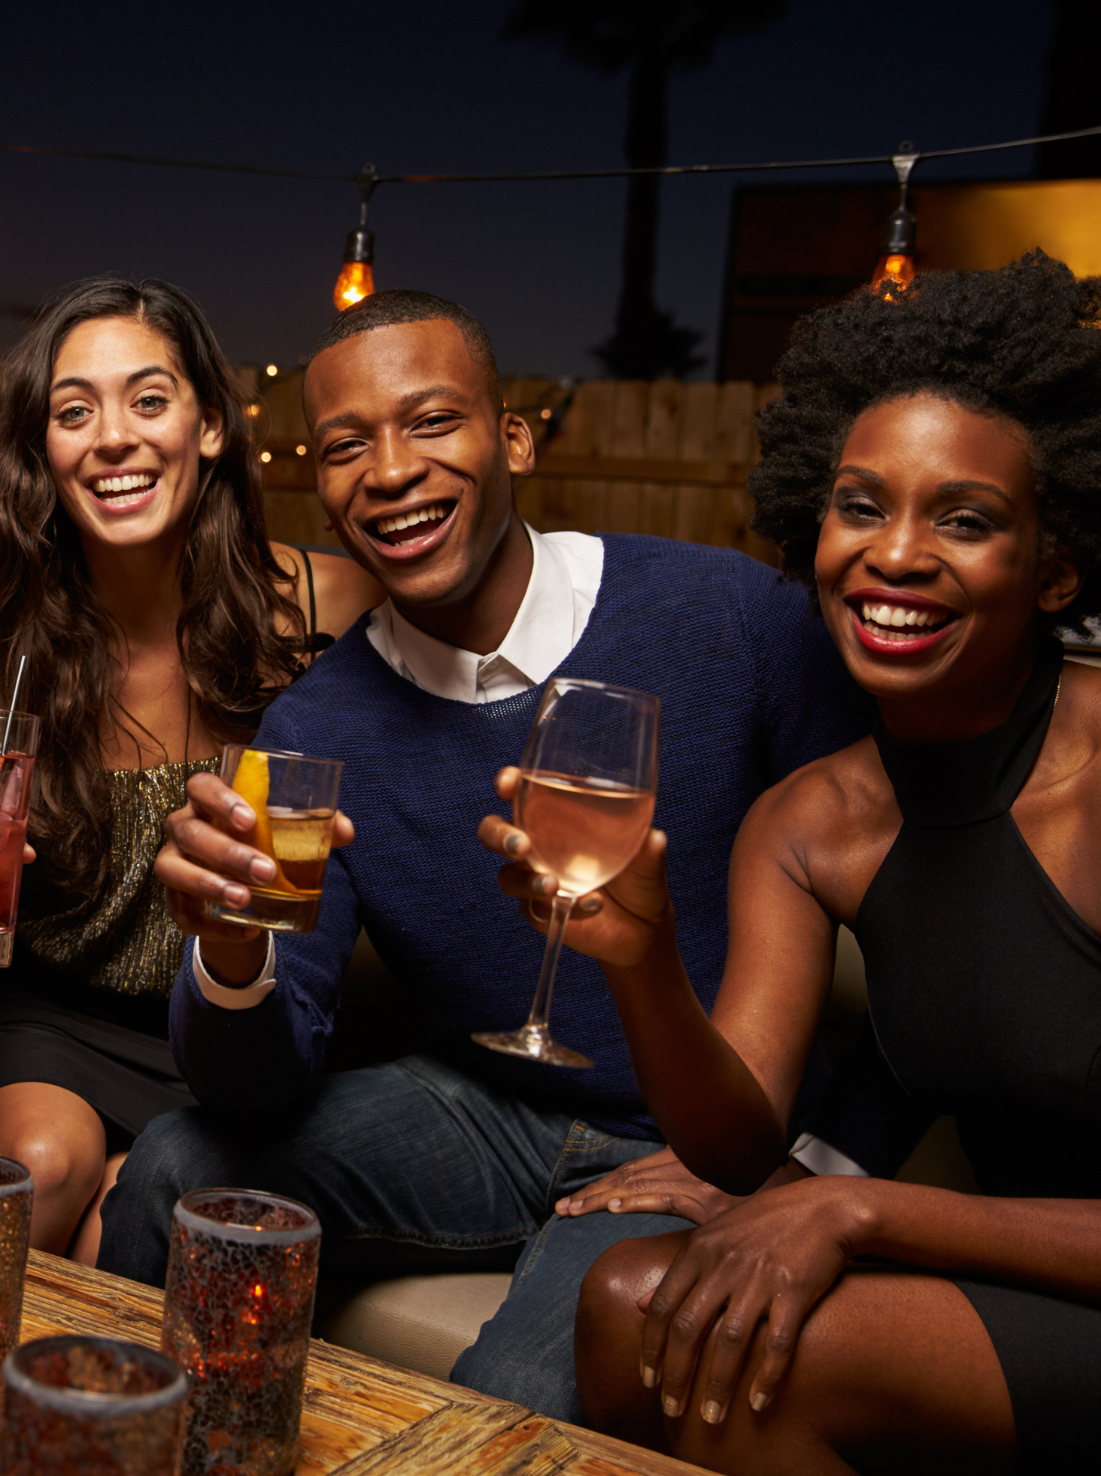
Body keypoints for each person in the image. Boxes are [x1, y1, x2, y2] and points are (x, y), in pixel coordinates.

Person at [97, 288, 871, 1420]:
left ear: (510, 438)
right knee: (172, 1160)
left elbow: (909, 906)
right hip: (478, 1103)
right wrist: (226, 955)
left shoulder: (734, 619)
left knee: (512, 1389)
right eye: (345, 445)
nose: (388, 470)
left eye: (429, 422)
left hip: (683, 1133)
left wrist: (815, 1162)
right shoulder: (319, 723)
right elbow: (255, 1082)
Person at [488, 253, 1101, 1473]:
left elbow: (822, 1191)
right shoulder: (810, 821)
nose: (895, 554)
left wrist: (858, 1203)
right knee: (633, 1306)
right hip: (1012, 1275)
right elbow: (733, 1140)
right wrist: (643, 960)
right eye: (861, 505)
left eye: (964, 519)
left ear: (1057, 565)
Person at [0, 278, 377, 1263]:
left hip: (231, 1027)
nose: (112, 437)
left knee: (129, 1219)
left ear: (211, 427)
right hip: (38, 1017)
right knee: (38, 1162)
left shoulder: (327, 607)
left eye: (148, 399)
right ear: (43, 450)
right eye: (73, 411)